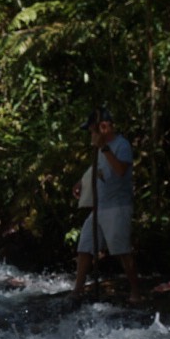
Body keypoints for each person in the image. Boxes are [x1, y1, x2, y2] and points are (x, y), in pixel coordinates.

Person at [71, 106, 143, 304]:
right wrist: (80, 182)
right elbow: (96, 168)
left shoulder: (121, 145)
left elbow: (120, 170)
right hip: (100, 207)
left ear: (103, 127)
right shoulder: (100, 149)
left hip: (117, 207)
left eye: (93, 130)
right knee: (85, 245)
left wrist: (103, 147)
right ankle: (77, 290)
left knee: (122, 250)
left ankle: (136, 292)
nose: (91, 134)